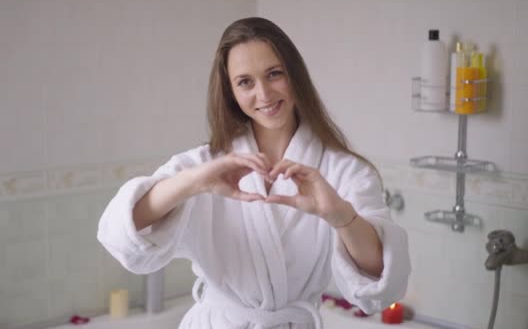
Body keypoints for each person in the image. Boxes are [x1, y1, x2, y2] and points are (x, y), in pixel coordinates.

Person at [97, 17, 410, 329]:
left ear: (295, 76)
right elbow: (121, 235)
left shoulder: (343, 170)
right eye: (245, 82)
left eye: (274, 74)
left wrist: (342, 217)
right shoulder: (204, 164)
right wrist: (195, 181)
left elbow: (382, 283)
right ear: (231, 91)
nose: (264, 94)